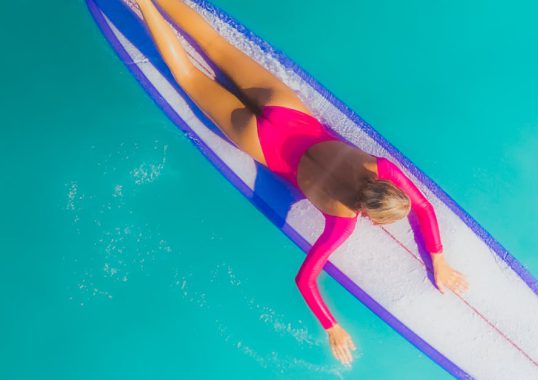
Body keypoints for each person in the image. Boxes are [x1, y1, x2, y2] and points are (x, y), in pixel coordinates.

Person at [134, 0, 468, 365]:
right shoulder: (340, 222)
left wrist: (439, 260)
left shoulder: (380, 166)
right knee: (190, 78)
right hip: (259, 142)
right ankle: (145, 9)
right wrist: (331, 327)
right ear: (370, 216)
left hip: (285, 110)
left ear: (388, 186)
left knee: (214, 45)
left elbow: (424, 207)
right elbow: (306, 279)